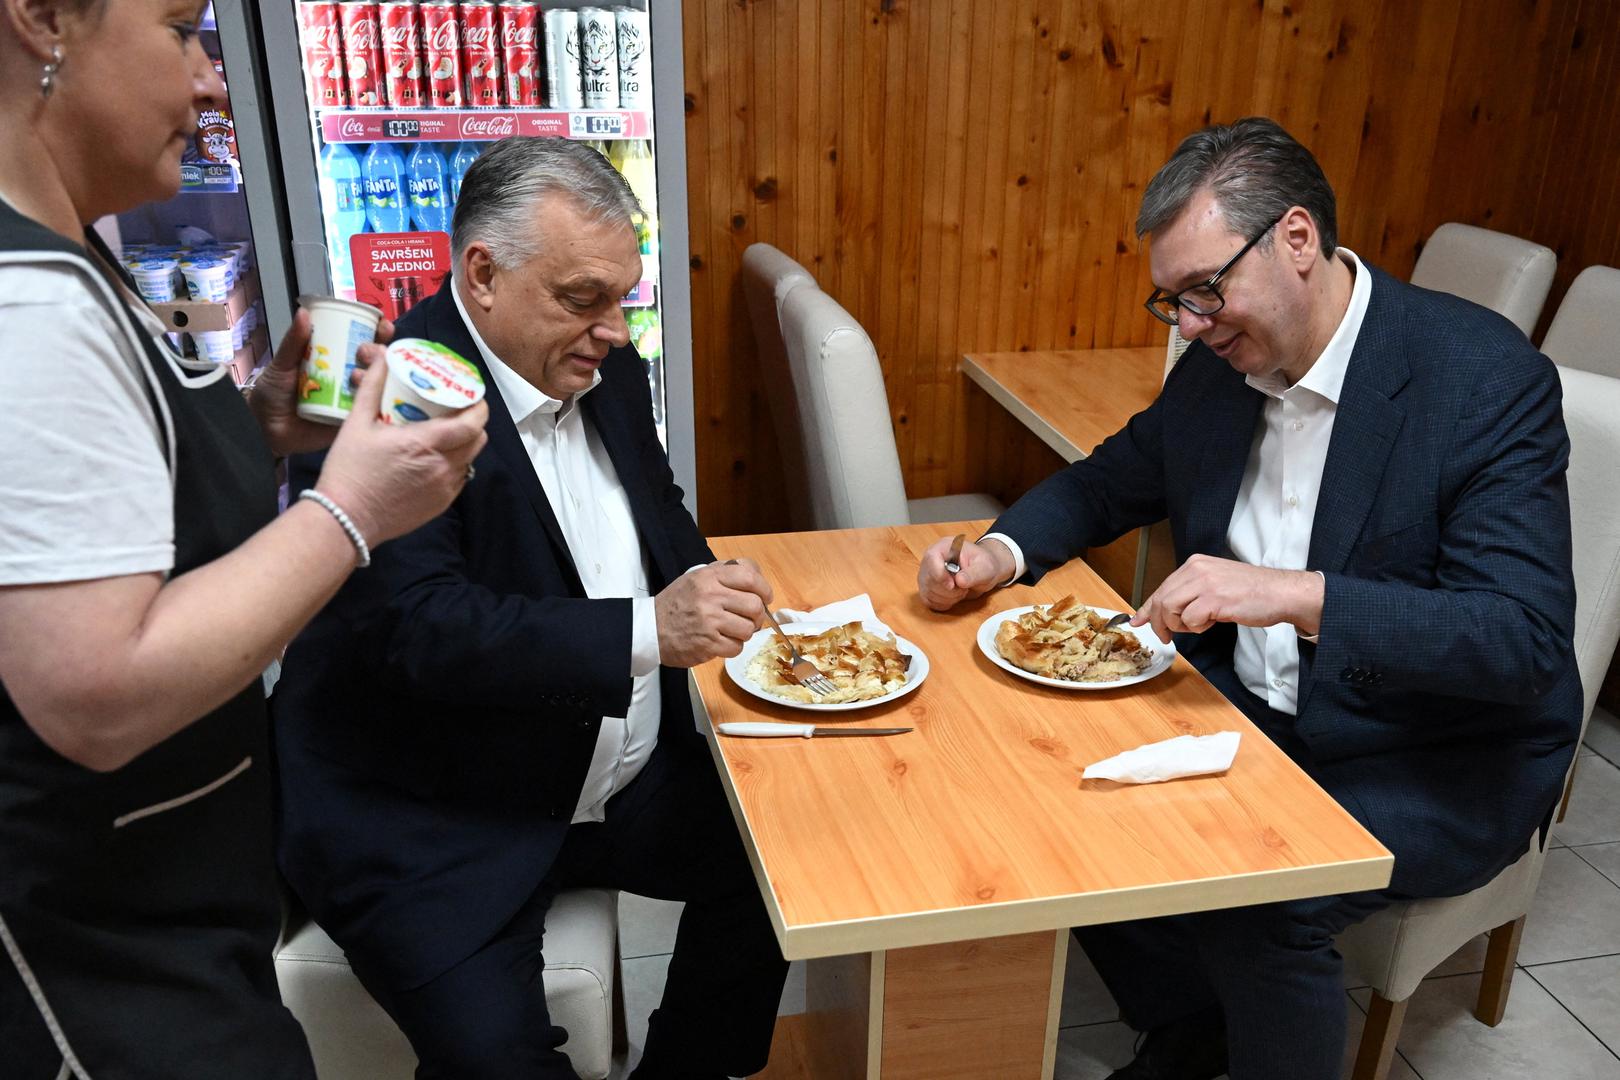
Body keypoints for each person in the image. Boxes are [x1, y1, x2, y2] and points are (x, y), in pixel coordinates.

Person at [917, 117, 1581, 1080]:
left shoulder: (1480, 379)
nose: (1187, 324)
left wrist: (1294, 595)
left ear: (1296, 240)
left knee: (1262, 898)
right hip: (1257, 709)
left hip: (1435, 752)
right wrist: (998, 555)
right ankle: (1192, 1030)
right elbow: (1109, 482)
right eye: (1173, 300)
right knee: (1069, 800)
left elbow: (1519, 640)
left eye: (1204, 289)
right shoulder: (1219, 370)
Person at [0, 0, 488, 1076]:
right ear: (41, 19)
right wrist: (352, 510)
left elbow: (119, 513)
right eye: (180, 29)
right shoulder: (23, 306)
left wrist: (262, 427)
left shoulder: (73, 251)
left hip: (175, 903)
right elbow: (97, 693)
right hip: (97, 959)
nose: (211, 78)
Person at [272, 137, 788, 1080]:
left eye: (623, 298)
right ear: (482, 274)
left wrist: (719, 594)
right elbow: (419, 628)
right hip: (435, 813)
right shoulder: (386, 398)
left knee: (787, 868)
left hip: (610, 778)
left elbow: (658, 508)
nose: (615, 330)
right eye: (583, 298)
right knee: (494, 1059)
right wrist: (651, 627)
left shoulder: (606, 366)